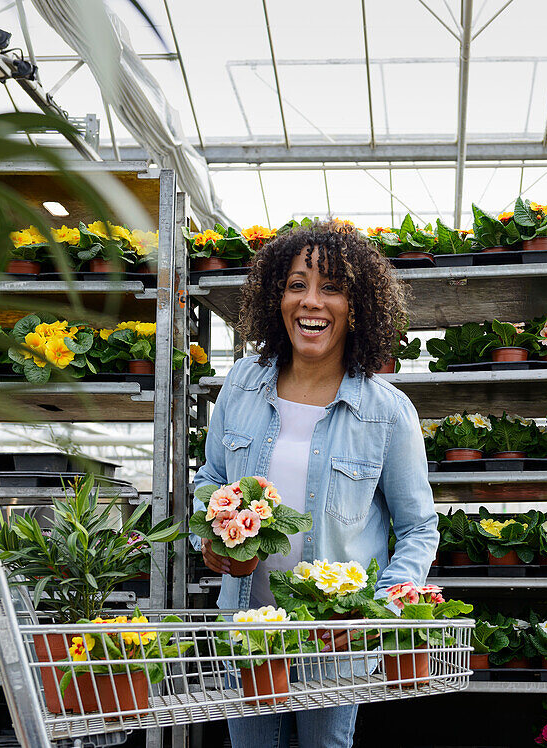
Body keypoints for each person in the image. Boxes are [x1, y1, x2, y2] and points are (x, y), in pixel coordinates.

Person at [191, 221, 438, 748]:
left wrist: (375, 610)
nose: (312, 302)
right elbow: (211, 478)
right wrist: (209, 537)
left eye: (332, 287)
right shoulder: (241, 384)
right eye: (297, 284)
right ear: (276, 297)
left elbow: (419, 528)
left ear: (358, 306)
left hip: (336, 637)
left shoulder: (386, 412)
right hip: (250, 628)